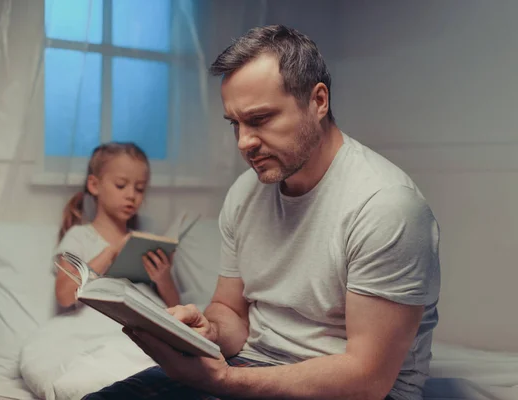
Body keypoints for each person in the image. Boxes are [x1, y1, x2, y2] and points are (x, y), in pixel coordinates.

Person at [83, 25, 441, 400]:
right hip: (251, 366)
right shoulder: (246, 192)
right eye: (235, 124)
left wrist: (221, 381)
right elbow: (231, 312)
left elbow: (366, 380)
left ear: (318, 101)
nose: (244, 143)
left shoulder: (385, 205)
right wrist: (209, 329)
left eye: (260, 120)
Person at [56, 142, 180, 308]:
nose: (131, 195)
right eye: (121, 185)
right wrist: (112, 252)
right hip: (96, 324)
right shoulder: (79, 236)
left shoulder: (141, 244)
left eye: (140, 189)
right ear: (94, 185)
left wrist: (163, 278)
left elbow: (176, 308)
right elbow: (64, 295)